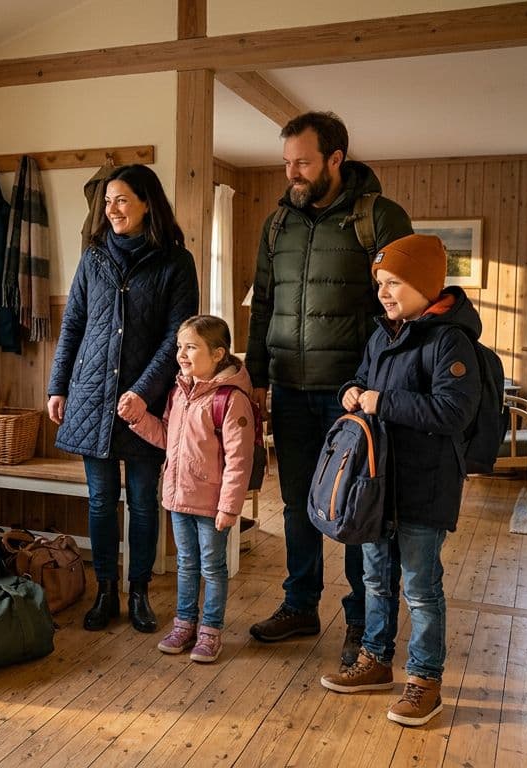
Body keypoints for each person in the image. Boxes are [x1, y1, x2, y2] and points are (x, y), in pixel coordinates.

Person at [245, 111, 414, 667]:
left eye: (303, 162)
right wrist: (258, 381)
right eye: (287, 162)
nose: (291, 172)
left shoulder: (379, 217)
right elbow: (264, 306)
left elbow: (403, 307)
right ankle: (300, 604)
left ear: (335, 159)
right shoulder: (278, 225)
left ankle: (364, 622)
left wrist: (380, 385)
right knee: (296, 503)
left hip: (352, 395)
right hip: (290, 389)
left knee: (357, 508)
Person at [317, 234, 481, 727]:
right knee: (374, 577)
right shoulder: (383, 334)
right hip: (376, 484)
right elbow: (361, 378)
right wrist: (350, 392)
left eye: (395, 283)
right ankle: (374, 661)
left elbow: (454, 409)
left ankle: (425, 681)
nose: (385, 292)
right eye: (381, 283)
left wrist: (380, 401)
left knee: (420, 587)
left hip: (425, 486)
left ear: (426, 284)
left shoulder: (449, 339)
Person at [47, 164, 200, 633]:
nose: (111, 210)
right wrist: (58, 385)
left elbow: (177, 338)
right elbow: (73, 323)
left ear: (146, 203)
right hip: (92, 395)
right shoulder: (93, 257)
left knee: (142, 501)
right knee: (99, 502)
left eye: (121, 200)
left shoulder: (176, 261)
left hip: (144, 401)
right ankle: (105, 593)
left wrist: (143, 392)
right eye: (107, 202)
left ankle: (139, 594)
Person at [119, 315, 257, 663]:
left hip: (211, 505)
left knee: (212, 566)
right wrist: (138, 418)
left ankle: (210, 630)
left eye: (191, 347)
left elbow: (239, 460)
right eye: (180, 346)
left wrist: (229, 507)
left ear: (218, 354)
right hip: (179, 498)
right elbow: (168, 438)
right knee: (185, 563)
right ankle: (184, 623)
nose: (181, 354)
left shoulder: (230, 400)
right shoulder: (179, 392)